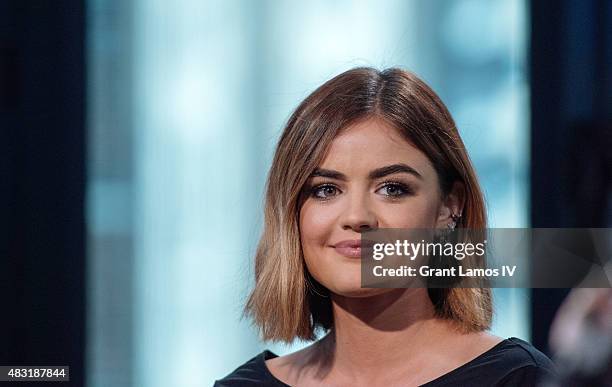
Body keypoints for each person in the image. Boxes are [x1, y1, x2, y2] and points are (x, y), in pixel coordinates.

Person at [214, 67, 556, 386]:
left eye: (392, 188)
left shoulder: (519, 379)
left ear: (449, 206)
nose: (357, 216)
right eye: (326, 190)